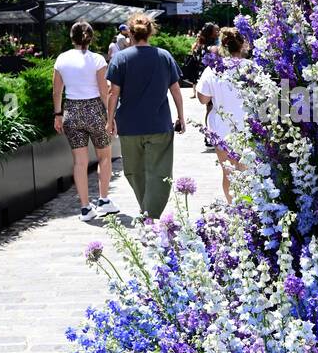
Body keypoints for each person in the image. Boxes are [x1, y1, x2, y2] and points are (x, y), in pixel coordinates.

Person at [106, 14, 185, 220]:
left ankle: (147, 213)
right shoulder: (164, 56)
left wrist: (109, 120)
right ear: (150, 32)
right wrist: (181, 117)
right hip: (159, 124)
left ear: (129, 33)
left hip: (129, 125)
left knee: (134, 171)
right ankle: (150, 213)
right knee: (160, 172)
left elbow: (113, 93)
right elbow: (175, 90)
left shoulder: (120, 58)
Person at [53, 20, 118, 223]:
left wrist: (57, 114)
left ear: (71, 37)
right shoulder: (97, 59)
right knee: (104, 156)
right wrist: (110, 117)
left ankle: (84, 208)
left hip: (72, 110)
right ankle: (104, 200)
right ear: (91, 37)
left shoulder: (61, 59)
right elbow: (103, 91)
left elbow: (57, 91)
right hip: (94, 110)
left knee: (79, 162)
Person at [197, 27, 248, 203]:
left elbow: (203, 99)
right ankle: (249, 207)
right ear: (242, 45)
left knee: (228, 172)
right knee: (246, 169)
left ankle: (234, 206)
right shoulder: (252, 68)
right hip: (247, 127)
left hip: (221, 128)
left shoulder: (213, 69)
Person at [181, 22, 220, 87]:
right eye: (215, 30)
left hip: (204, 76)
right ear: (210, 33)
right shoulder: (211, 47)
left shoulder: (202, 44)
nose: (218, 32)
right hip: (210, 76)